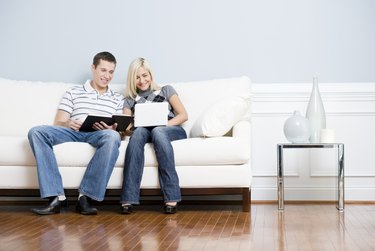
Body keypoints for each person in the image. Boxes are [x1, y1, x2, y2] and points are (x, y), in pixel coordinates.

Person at [28, 51, 124, 215]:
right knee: (37, 132)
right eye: (103, 70)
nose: (107, 76)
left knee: (113, 136)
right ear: (93, 68)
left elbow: (120, 131)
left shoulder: (118, 98)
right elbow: (58, 122)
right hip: (73, 132)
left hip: (99, 134)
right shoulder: (73, 91)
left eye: (111, 72)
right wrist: (67, 123)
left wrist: (111, 130)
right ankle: (56, 197)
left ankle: (85, 197)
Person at [120, 57, 188, 214]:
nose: (142, 80)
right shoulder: (130, 99)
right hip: (144, 131)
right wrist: (130, 128)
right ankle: (128, 198)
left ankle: (171, 196)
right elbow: (126, 129)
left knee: (158, 131)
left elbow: (183, 115)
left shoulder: (166, 90)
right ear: (132, 79)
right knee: (137, 135)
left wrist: (163, 124)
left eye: (145, 75)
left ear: (150, 74)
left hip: (170, 129)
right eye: (137, 77)